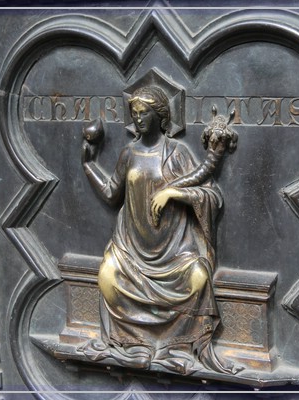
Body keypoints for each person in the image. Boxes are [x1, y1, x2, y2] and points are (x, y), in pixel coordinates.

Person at [80, 85, 236, 375]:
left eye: (144, 113)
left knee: (198, 279)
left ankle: (173, 346)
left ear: (160, 115)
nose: (138, 119)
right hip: (131, 249)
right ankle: (133, 344)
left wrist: (173, 193)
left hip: (174, 251)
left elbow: (211, 196)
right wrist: (89, 164)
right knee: (108, 276)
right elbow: (112, 194)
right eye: (135, 113)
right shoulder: (128, 153)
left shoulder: (177, 153)